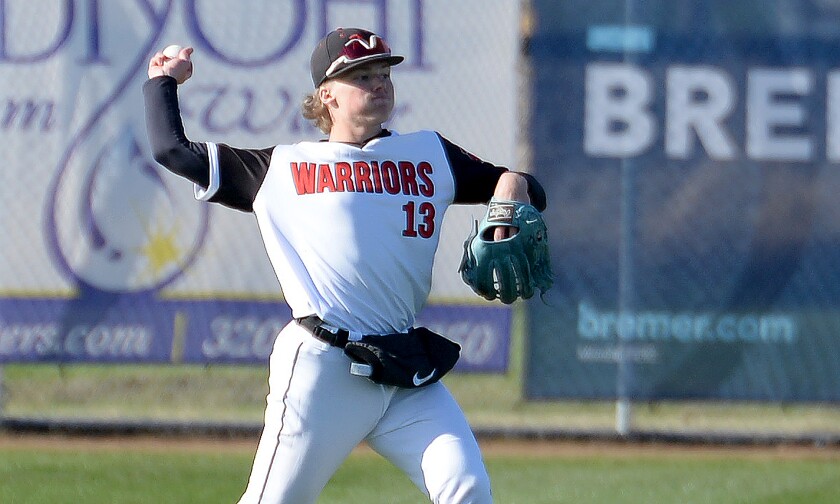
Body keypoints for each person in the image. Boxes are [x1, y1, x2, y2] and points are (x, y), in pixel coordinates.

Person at [143, 27, 546, 504]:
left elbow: (524, 187)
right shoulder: (283, 169)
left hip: (403, 371)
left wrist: (512, 186)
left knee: (468, 489)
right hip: (323, 367)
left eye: (383, 74)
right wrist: (163, 82)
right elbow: (173, 151)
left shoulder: (430, 154)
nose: (378, 84)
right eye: (361, 76)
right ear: (327, 96)